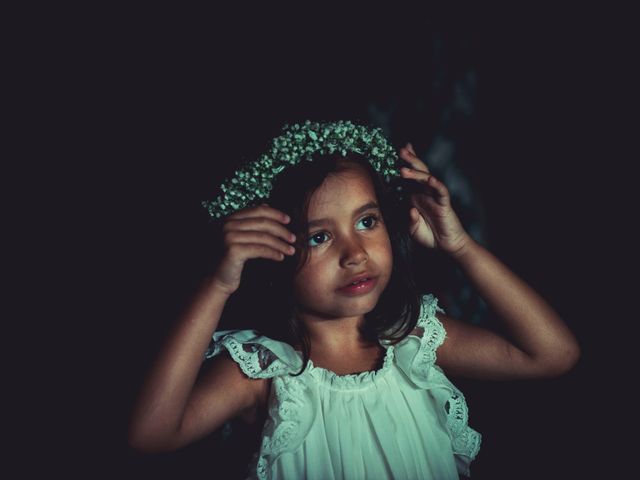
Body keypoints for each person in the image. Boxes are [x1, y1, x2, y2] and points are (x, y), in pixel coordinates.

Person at [127, 120, 581, 479]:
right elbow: (150, 434)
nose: (355, 254)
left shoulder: (414, 344)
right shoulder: (265, 373)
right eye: (320, 236)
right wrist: (218, 283)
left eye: (367, 222)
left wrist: (459, 245)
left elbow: (552, 354)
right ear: (271, 251)